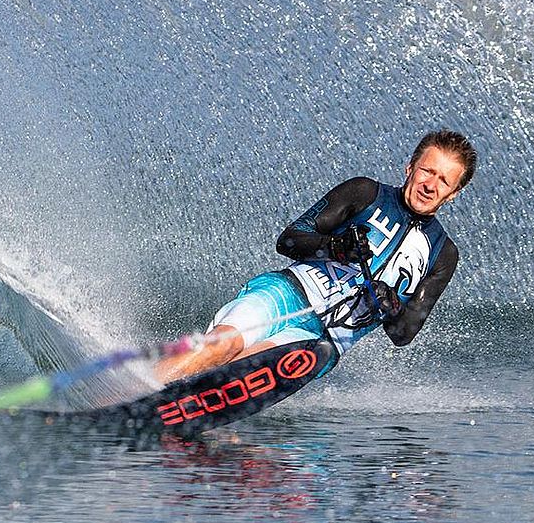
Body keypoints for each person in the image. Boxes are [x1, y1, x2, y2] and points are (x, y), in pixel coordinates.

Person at [155, 130, 473, 382]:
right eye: (427, 171)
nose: (431, 185)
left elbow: (403, 333)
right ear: (410, 168)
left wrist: (390, 305)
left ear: (454, 192)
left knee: (247, 370)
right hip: (287, 295)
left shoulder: (443, 253)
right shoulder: (365, 194)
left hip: (321, 343)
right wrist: (336, 247)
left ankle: (181, 415)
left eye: (444, 180)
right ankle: (121, 398)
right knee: (223, 345)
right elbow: (289, 240)